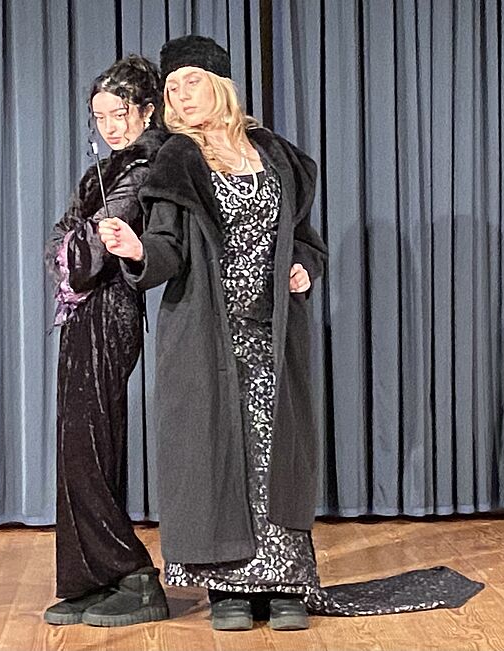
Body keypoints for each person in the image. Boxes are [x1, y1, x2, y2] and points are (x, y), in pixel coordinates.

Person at [98, 35, 329, 631]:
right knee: (215, 455)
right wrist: (136, 250)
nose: (178, 94)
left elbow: (305, 238)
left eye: (190, 82)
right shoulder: (178, 160)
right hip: (207, 334)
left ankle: (285, 582)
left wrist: (305, 266)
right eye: (171, 87)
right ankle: (227, 586)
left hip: (273, 333)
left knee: (275, 454)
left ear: (220, 85)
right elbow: (168, 248)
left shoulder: (276, 155)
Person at [43, 55, 169, 628]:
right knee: (78, 444)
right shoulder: (107, 171)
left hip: (108, 314)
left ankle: (135, 577)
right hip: (84, 315)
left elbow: (84, 255)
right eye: (101, 116)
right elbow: (63, 240)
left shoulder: (144, 167)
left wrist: (73, 241)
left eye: (120, 114)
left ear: (146, 111)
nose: (111, 126)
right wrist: (72, 240)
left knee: (88, 443)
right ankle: (93, 577)